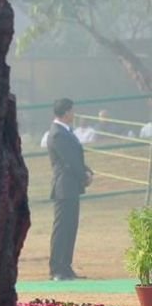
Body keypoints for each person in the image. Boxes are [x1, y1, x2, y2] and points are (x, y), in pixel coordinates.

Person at [48, 98, 93, 281]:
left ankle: (66, 267)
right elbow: (69, 161)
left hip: (71, 186)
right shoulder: (58, 134)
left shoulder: (66, 131)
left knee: (70, 228)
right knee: (62, 229)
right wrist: (84, 176)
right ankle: (57, 269)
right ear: (66, 112)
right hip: (64, 187)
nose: (74, 114)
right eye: (72, 111)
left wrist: (87, 171)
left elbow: (76, 158)